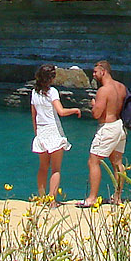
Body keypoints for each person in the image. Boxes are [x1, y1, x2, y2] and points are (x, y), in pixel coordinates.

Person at [78, 59, 127, 207]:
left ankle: (92, 198)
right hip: (120, 126)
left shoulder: (103, 90)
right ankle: (117, 197)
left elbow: (97, 114)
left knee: (93, 161)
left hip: (107, 128)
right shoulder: (121, 87)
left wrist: (93, 105)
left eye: (95, 72)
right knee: (117, 162)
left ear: (103, 71)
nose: (93, 75)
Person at [30, 63, 80, 200]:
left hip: (41, 131)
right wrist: (75, 110)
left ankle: (41, 198)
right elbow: (61, 111)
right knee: (56, 169)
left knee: (43, 167)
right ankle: (52, 199)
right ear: (51, 78)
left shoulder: (34, 92)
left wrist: (36, 132)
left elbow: (34, 115)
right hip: (53, 131)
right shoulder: (52, 92)